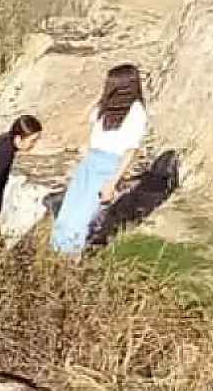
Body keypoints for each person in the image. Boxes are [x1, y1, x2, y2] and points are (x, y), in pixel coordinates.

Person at [52, 65, 149, 256]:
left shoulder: (136, 112)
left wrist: (112, 183)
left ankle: (70, 261)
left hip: (108, 165)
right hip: (90, 161)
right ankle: (55, 256)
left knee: (83, 218)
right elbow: (84, 118)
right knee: (67, 212)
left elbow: (131, 150)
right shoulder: (105, 107)